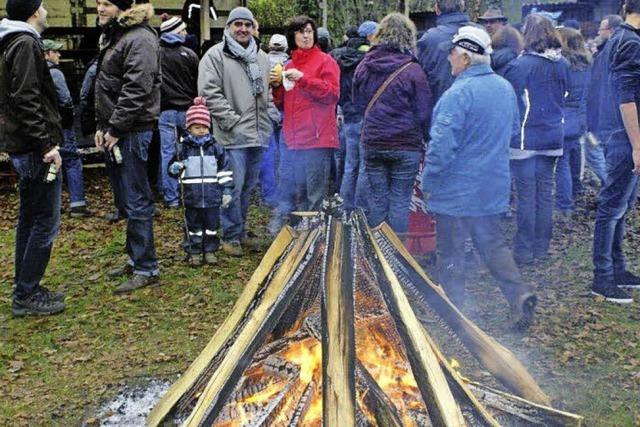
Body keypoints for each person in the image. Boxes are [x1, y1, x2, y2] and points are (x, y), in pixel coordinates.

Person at [423, 26, 536, 329]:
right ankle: (518, 294)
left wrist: (429, 183)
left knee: (450, 250)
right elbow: (513, 131)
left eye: (452, 54)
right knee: (492, 244)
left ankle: (454, 313)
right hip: (492, 185)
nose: (449, 60)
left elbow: (441, 147)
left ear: (466, 57)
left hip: (457, 191)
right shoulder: (504, 88)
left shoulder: (456, 94)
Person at [0, 0, 66, 315]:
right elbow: (26, 97)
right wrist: (46, 145)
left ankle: (26, 287)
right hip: (34, 149)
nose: (46, 11)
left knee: (29, 219)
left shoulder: (13, 41)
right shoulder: (25, 44)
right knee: (44, 222)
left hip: (24, 146)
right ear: (32, 12)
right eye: (42, 6)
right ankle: (26, 294)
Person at [95, 0, 162, 293]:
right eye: (98, 3)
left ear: (122, 7)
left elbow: (137, 88)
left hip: (134, 130)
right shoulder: (119, 35)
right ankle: (135, 259)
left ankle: (147, 267)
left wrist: (116, 127)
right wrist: (103, 126)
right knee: (127, 198)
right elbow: (108, 85)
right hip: (121, 130)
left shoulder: (141, 38)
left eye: (106, 3)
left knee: (137, 198)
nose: (100, 8)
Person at [198, 7, 275, 257]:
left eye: (247, 24)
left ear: (253, 28)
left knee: (248, 188)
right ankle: (230, 236)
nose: (243, 29)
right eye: (237, 24)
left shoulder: (262, 58)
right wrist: (231, 120)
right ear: (229, 28)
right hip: (232, 136)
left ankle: (240, 232)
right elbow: (209, 92)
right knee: (232, 187)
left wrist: (271, 118)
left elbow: (267, 94)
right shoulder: (215, 56)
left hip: (258, 134)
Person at [353, 12, 432, 233]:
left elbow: (357, 102)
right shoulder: (413, 71)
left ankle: (379, 252)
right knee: (399, 202)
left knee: (378, 200)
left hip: (373, 142)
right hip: (405, 146)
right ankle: (396, 256)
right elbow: (424, 111)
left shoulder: (364, 66)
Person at [503, 14, 569, 266]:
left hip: (525, 139)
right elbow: (566, 95)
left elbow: (510, 101)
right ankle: (541, 248)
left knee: (527, 195)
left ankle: (523, 250)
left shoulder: (520, 66)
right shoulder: (562, 64)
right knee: (545, 195)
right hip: (553, 136)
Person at [591, 0, 640, 303]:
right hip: (624, 138)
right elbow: (626, 98)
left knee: (620, 206)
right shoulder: (630, 42)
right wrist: (637, 145)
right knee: (612, 208)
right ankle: (603, 278)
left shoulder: (619, 39)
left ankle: (617, 269)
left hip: (618, 135)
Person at [168, 97, 233, 266]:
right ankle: (194, 251)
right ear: (189, 128)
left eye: (205, 126)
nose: (202, 130)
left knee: (212, 225)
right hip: (191, 197)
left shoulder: (216, 147)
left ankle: (210, 250)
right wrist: (175, 168)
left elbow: (224, 170)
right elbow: (172, 170)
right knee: (193, 226)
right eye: (197, 127)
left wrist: (226, 190)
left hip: (212, 196)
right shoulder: (183, 149)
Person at [42, 39, 93, 219]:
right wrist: (70, 117)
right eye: (55, 52)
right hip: (61, 124)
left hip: (43, 126)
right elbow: (65, 99)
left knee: (49, 165)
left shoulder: (31, 71)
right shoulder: (55, 73)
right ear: (47, 53)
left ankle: (52, 205)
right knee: (71, 160)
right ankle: (77, 203)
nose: (59, 55)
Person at [332, 20, 378, 214]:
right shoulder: (371, 57)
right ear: (369, 36)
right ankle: (360, 210)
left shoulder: (339, 55)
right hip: (364, 115)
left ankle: (344, 206)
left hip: (348, 115)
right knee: (364, 167)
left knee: (350, 165)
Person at [158, 15, 198, 209]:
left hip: (165, 112)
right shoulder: (189, 54)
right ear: (175, 31)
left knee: (168, 153)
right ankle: (191, 193)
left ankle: (171, 197)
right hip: (188, 111)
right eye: (182, 30)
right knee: (191, 151)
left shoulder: (155, 54)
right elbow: (197, 82)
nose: (186, 34)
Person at [555, 27, 592, 215]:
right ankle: (577, 189)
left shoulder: (563, 64)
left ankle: (564, 205)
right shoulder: (586, 64)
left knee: (561, 162)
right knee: (574, 153)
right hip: (580, 117)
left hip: (564, 117)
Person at [585, 14, 624, 185]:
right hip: (615, 112)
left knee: (597, 151)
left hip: (606, 113)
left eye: (602, 29)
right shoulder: (615, 49)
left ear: (611, 30)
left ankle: (612, 187)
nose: (599, 32)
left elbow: (598, 86)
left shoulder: (608, 52)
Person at [417, 0, 472, 103]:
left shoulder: (430, 38)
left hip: (439, 103)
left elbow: (419, 75)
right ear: (463, 7)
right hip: (475, 104)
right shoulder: (480, 33)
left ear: (437, 9)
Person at [259, 34, 289, 209]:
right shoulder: (290, 64)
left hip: (266, 113)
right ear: (285, 48)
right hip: (285, 112)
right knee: (285, 154)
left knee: (268, 153)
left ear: (269, 46)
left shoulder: (260, 62)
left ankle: (269, 194)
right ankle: (285, 193)